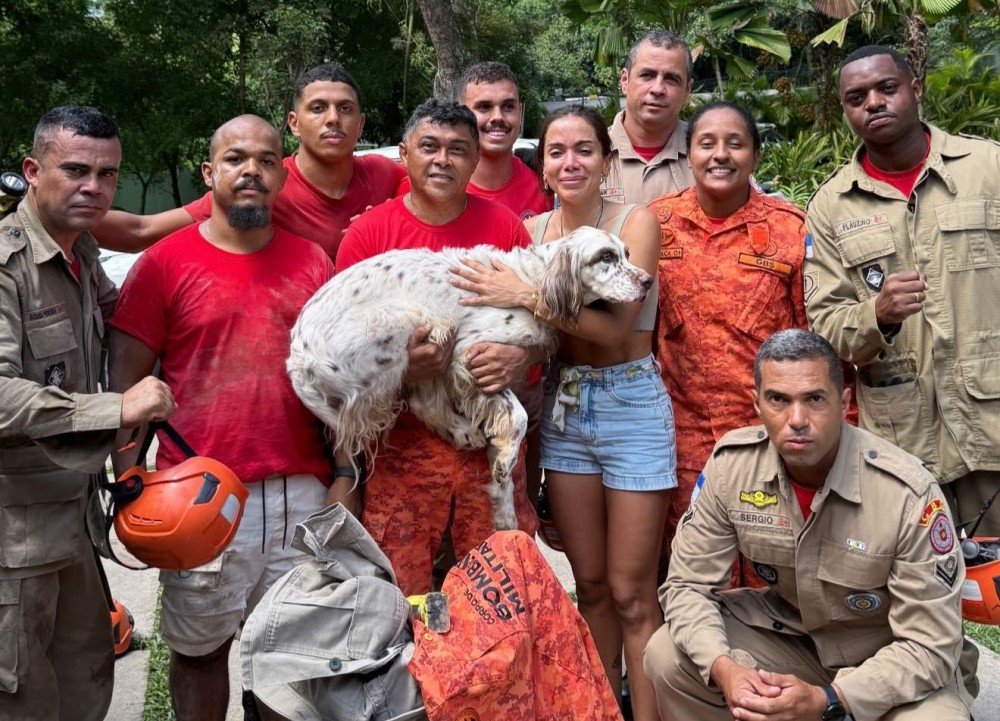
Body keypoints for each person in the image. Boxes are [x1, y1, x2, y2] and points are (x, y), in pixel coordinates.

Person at [448, 105, 674, 721]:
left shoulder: (636, 223)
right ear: (541, 164)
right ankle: (600, 711)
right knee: (593, 588)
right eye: (556, 151)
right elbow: (519, 327)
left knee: (633, 594)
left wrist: (523, 291)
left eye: (583, 149)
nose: (570, 161)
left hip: (631, 403)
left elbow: (614, 324)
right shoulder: (532, 231)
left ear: (607, 160)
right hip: (566, 407)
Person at [108, 115, 335, 721]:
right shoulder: (162, 263)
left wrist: (345, 475)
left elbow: (338, 380)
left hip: (301, 493)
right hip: (200, 493)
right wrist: (130, 482)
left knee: (292, 659)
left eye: (266, 161)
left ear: (281, 177)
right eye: (236, 160)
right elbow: (126, 382)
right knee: (201, 653)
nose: (251, 172)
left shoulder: (313, 261)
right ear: (211, 174)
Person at [644, 329, 972, 721]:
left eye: (814, 399)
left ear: (843, 402)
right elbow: (686, 587)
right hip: (792, 641)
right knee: (667, 654)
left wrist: (828, 700)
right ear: (758, 405)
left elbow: (929, 644)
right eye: (778, 400)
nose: (796, 420)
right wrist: (725, 668)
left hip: (885, 656)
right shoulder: (732, 468)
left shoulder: (907, 494)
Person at [0, 106, 175, 721]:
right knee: (20, 695)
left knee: (87, 673)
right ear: (32, 170)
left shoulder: (80, 253)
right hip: (12, 535)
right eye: (75, 170)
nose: (93, 187)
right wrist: (119, 406)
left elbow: (130, 323)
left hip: (72, 520)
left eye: (106, 174)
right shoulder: (7, 267)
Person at [334, 98, 539, 597]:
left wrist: (523, 358)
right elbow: (342, 361)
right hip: (401, 454)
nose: (442, 160)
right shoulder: (369, 235)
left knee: (499, 600)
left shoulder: (507, 230)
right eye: (429, 147)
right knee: (401, 601)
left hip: (488, 452)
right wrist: (403, 368)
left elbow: (536, 332)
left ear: (475, 160)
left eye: (457, 150)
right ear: (405, 153)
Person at [805, 45, 1000, 537]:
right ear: (846, 111)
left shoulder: (988, 168)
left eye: (886, 88)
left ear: (915, 89)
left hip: (992, 419)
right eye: (856, 97)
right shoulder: (831, 206)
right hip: (904, 441)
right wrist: (878, 314)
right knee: (923, 596)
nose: (873, 103)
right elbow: (826, 326)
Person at [648, 101, 812, 586]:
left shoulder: (789, 228)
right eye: (707, 143)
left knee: (775, 570)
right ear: (688, 153)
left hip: (768, 435)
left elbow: (818, 345)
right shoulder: (655, 225)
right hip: (681, 437)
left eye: (735, 143)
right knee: (692, 571)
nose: (721, 155)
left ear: (756, 157)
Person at [94, 63, 404, 261]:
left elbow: (437, 200)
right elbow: (140, 231)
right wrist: (48, 215)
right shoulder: (261, 184)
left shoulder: (384, 173)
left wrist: (385, 221)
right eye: (319, 108)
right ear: (294, 123)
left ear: (361, 124)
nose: (333, 119)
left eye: (345, 109)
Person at [398, 61, 551, 219]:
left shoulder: (545, 188)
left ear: (520, 111)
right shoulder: (417, 186)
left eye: (508, 106)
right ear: (460, 112)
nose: (497, 117)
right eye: (484, 107)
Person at [605, 29, 694, 205]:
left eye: (671, 79)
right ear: (625, 81)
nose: (658, 89)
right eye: (647, 75)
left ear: (687, 90)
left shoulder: (710, 157)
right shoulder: (589, 153)